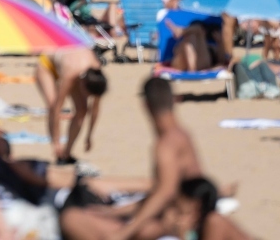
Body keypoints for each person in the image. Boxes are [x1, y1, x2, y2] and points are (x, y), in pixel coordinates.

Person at [60, 78, 206, 240]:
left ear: (146, 105)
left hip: (172, 222)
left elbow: (166, 193)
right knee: (88, 214)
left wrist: (126, 231)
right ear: (175, 100)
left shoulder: (166, 144)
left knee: (71, 219)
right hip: (176, 217)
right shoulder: (183, 135)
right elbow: (163, 192)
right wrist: (115, 212)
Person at [35, 48, 107, 164]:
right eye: (87, 94)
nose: (88, 97)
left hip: (74, 69)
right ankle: (58, 152)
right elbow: (56, 109)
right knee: (53, 104)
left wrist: (89, 136)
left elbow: (95, 109)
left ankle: (67, 153)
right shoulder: (70, 74)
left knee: (82, 110)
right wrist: (56, 142)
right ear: (83, 83)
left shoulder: (97, 74)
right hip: (47, 66)